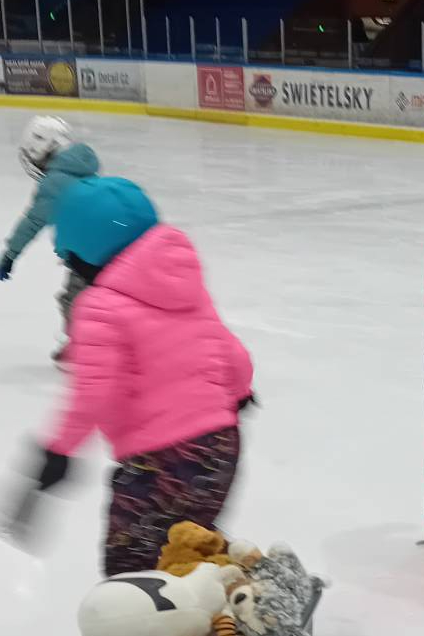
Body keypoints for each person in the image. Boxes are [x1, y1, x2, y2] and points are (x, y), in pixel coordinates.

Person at [12, 172, 253, 576]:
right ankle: (233, 591)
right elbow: (230, 349)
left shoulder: (99, 306)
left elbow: (92, 394)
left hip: (163, 460)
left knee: (132, 568)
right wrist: (238, 392)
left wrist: (59, 451)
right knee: (187, 543)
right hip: (221, 446)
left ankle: (217, 598)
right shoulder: (183, 283)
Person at [0, 116, 101, 358]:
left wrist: (10, 255)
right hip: (109, 243)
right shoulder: (82, 167)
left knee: (74, 301)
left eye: (34, 154)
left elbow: (33, 222)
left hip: (91, 253)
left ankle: (85, 348)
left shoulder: (55, 182)